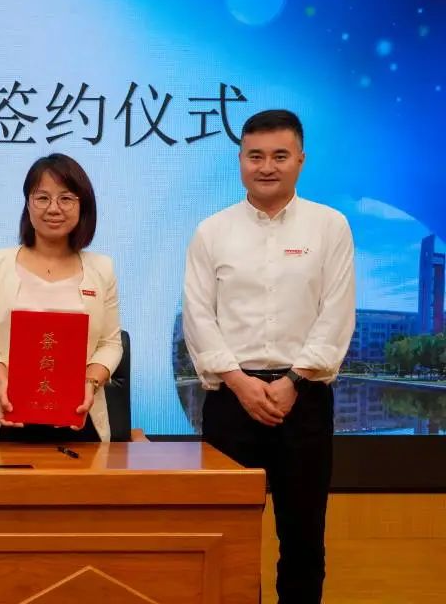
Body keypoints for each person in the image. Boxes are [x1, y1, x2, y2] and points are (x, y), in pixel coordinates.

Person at [183, 109, 355, 603]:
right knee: (229, 539)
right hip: (230, 401)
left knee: (303, 537)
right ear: (240, 160)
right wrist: (239, 382)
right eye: (255, 156)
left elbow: (336, 313)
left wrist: (293, 381)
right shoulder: (211, 231)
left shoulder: (330, 226)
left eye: (280, 156)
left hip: (304, 400)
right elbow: (199, 316)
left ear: (301, 160)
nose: (266, 167)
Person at [0, 153, 123, 442]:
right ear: (28, 204)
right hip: (10, 415)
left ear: (83, 206)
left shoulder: (102, 269)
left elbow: (111, 344)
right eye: (42, 198)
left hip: (81, 417)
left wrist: (90, 383)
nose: (54, 208)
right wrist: (3, 380)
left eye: (66, 199)